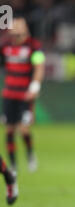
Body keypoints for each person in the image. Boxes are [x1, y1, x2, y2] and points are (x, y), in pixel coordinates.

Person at [0, 16, 45, 173]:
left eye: (18, 34)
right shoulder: (4, 47)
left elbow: (39, 66)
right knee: (9, 131)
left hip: (25, 96)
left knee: (24, 130)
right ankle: (13, 164)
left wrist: (34, 87)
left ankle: (30, 155)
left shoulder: (34, 47)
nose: (16, 37)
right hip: (8, 94)